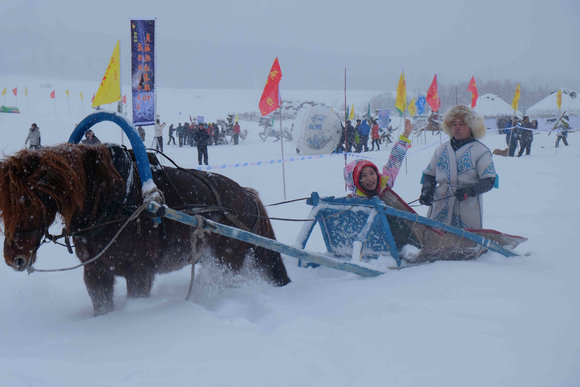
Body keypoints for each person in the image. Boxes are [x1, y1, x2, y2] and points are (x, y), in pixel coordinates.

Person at [419, 105, 497, 229]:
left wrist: (470, 191)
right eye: (454, 124)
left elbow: (489, 180)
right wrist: (426, 191)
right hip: (441, 202)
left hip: (467, 205)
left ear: (471, 126)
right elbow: (429, 174)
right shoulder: (441, 149)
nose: (457, 127)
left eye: (462, 123)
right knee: (434, 238)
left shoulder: (481, 151)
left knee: (465, 243)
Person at [343, 118, 413, 198]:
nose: (369, 178)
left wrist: (405, 137)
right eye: (364, 175)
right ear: (356, 181)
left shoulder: (384, 184)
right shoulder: (355, 201)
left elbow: (394, 161)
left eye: (372, 173)